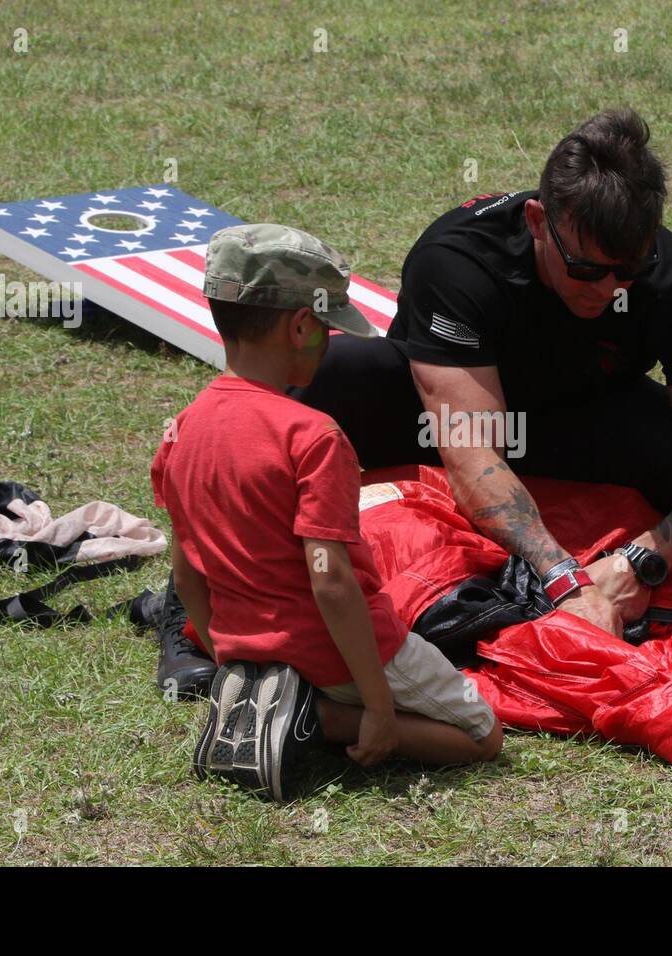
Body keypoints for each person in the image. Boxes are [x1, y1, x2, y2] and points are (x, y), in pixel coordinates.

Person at [294, 107, 672, 639]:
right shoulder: (461, 260)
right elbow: (473, 454)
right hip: (455, 423)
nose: (609, 288)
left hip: (582, 414)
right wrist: (563, 577)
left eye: (629, 270)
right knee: (335, 375)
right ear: (540, 222)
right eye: (587, 268)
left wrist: (641, 562)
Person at [150, 224, 503, 800]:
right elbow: (330, 581)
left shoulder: (181, 431)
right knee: (482, 736)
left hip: (249, 648)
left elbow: (188, 574)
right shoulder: (313, 435)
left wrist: (226, 656)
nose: (332, 342)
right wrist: (380, 707)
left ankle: (273, 695)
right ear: (299, 326)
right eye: (328, 329)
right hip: (336, 653)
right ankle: (316, 717)